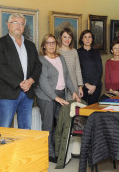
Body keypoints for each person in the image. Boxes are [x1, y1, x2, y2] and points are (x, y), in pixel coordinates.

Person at [0, 13, 41, 129]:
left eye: (22, 24)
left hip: (28, 94)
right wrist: (20, 83)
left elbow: (38, 65)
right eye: (15, 23)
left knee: (25, 129)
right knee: (5, 129)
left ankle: (23, 148)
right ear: (8, 25)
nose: (19, 26)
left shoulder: (30, 45)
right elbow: (0, 68)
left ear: (24, 27)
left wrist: (30, 81)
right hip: (8, 93)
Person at [35, 34, 80, 162]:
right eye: (48, 43)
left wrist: (74, 92)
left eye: (53, 42)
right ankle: (49, 154)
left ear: (56, 44)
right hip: (46, 96)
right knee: (48, 125)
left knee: (60, 123)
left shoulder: (61, 58)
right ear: (44, 45)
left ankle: (57, 149)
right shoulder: (41, 60)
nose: (51, 45)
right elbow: (43, 82)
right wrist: (56, 98)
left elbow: (67, 77)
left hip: (60, 94)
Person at [78, 30, 103, 105]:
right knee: (83, 110)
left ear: (92, 39)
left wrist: (94, 86)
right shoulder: (77, 52)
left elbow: (100, 70)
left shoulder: (96, 52)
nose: (87, 39)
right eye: (85, 37)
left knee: (93, 111)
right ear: (82, 39)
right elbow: (77, 70)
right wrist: (87, 85)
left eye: (89, 37)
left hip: (96, 87)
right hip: (83, 87)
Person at [58, 28, 84, 100]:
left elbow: (78, 70)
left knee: (73, 108)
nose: (67, 40)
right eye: (65, 37)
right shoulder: (56, 51)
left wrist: (80, 87)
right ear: (61, 38)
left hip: (73, 85)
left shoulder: (74, 52)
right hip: (60, 86)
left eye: (69, 37)